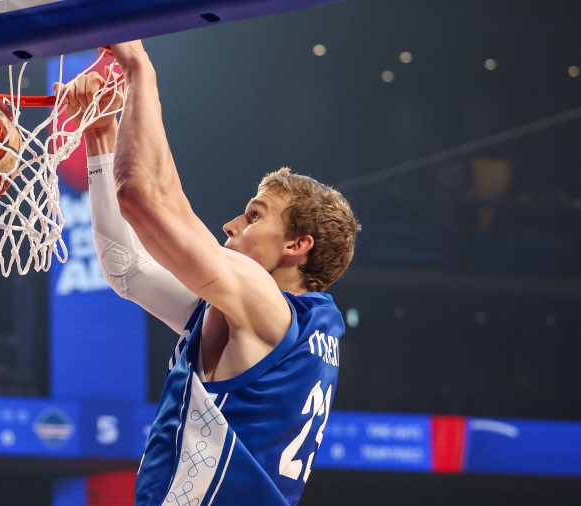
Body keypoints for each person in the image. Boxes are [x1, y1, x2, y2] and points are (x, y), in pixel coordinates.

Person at [57, 41, 360, 506]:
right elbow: (127, 268)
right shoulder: (276, 324)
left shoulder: (266, 307)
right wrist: (100, 134)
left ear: (297, 246)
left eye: (255, 217)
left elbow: (143, 196)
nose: (232, 225)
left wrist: (139, 67)